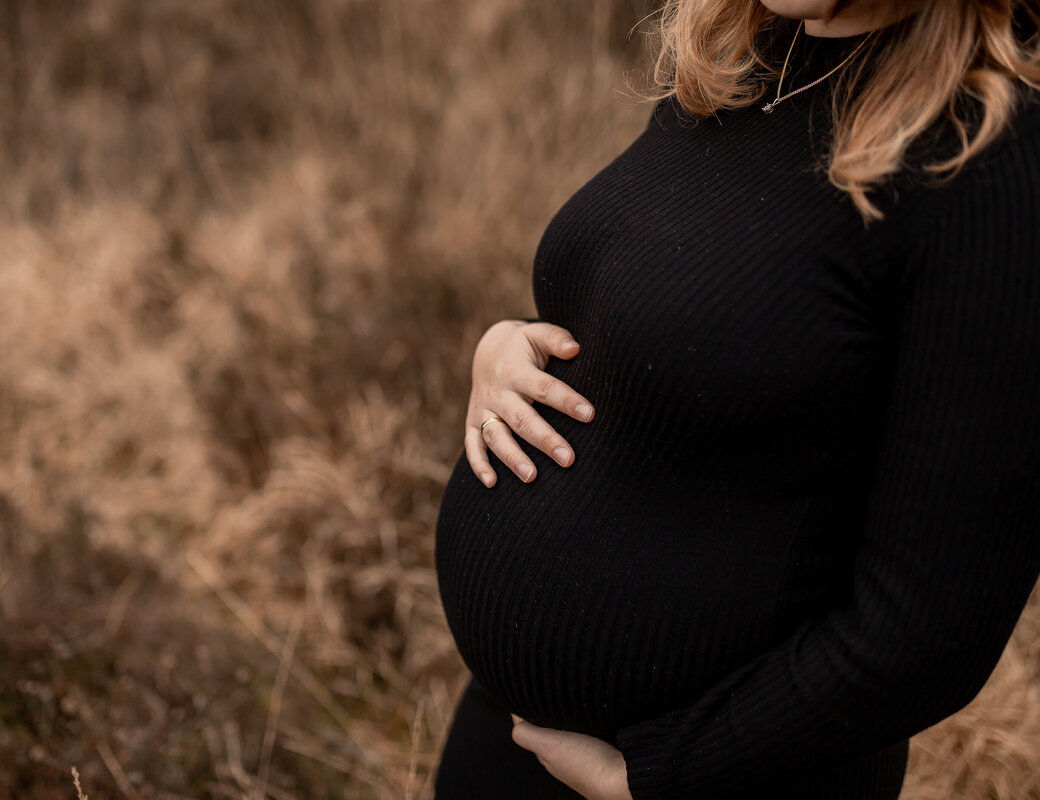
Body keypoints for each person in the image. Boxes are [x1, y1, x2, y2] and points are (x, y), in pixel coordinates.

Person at [430, 0, 1040, 798]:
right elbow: (672, 306)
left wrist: (656, 776)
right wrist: (509, 344)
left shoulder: (994, 163)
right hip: (516, 731)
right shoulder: (754, 51)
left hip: (728, 773)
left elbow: (927, 632)